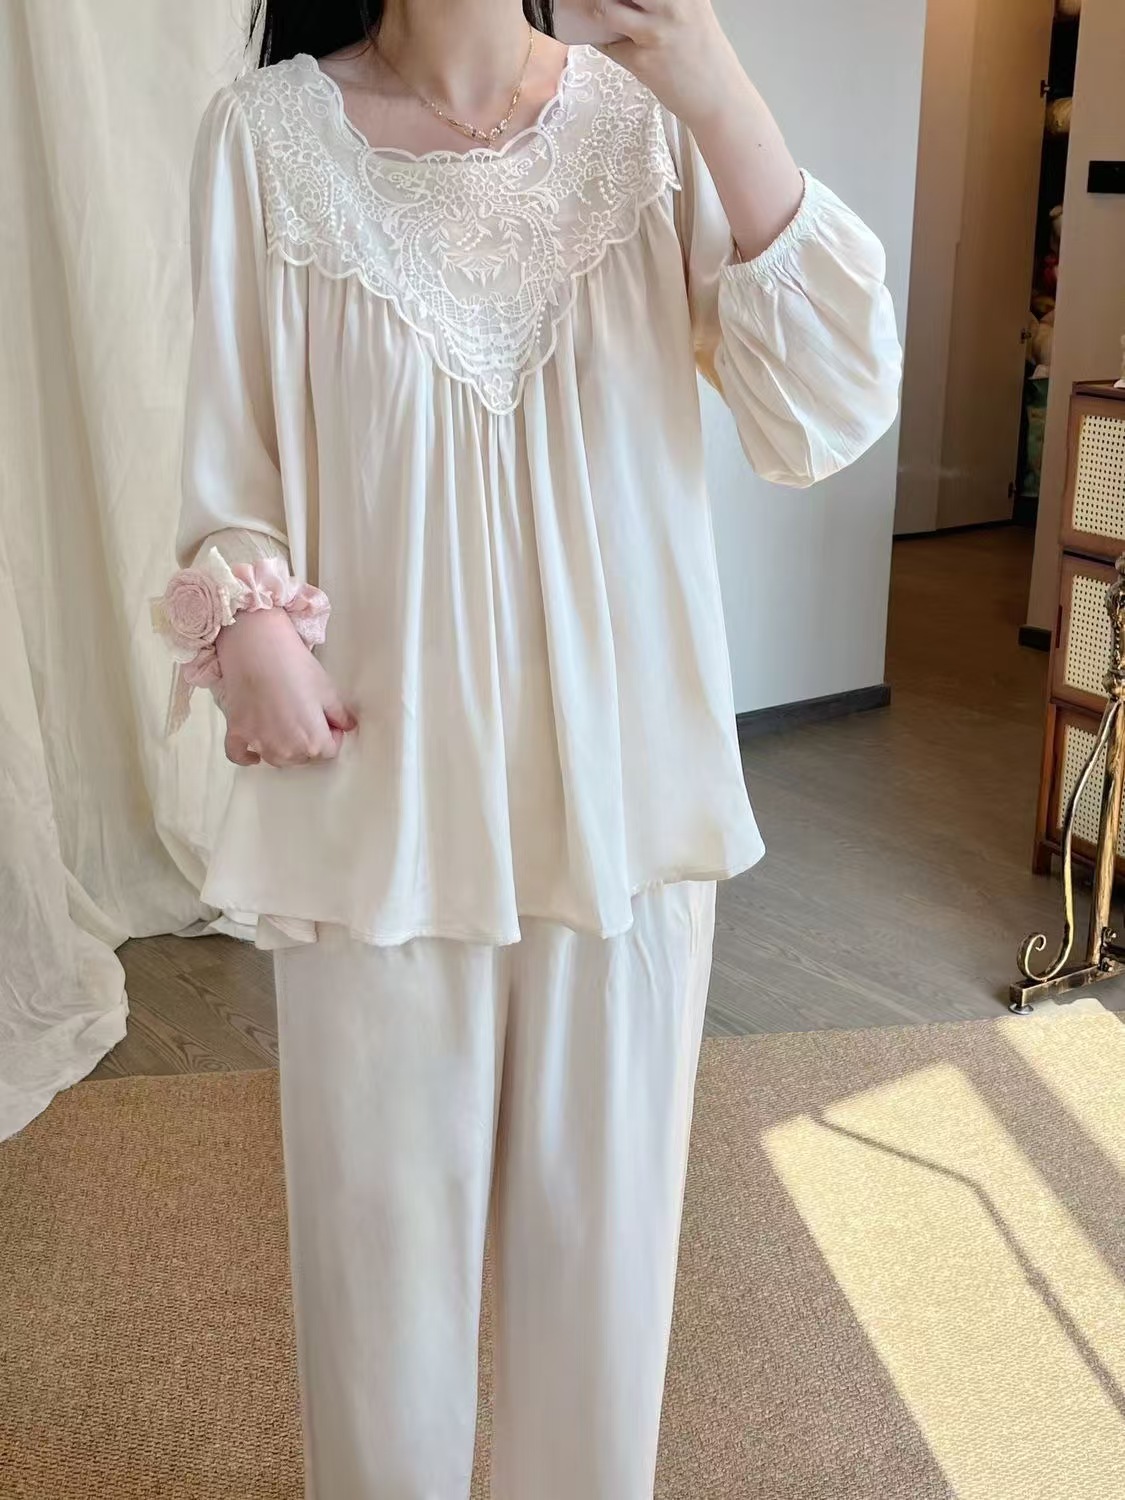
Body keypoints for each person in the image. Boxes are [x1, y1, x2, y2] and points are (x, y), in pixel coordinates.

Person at [156, 1, 902, 1494]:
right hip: (375, 810)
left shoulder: (650, 125)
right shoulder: (264, 140)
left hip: (623, 811)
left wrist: (711, 81)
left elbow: (827, 401)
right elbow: (226, 476)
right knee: (379, 1303)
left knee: (603, 1293)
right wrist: (248, 627)